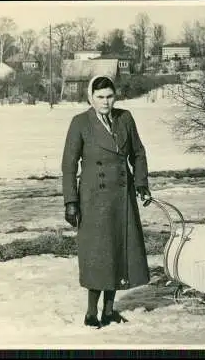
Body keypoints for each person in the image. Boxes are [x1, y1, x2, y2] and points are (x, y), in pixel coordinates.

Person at [61, 75, 152, 328]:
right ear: (91, 97)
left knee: (118, 251)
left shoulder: (125, 118)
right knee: (97, 254)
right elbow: (68, 166)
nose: (106, 102)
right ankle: (91, 313)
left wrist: (142, 183)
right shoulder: (80, 122)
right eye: (100, 97)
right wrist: (71, 201)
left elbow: (138, 153)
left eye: (110, 96)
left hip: (122, 196)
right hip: (93, 198)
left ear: (115, 96)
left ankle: (109, 311)